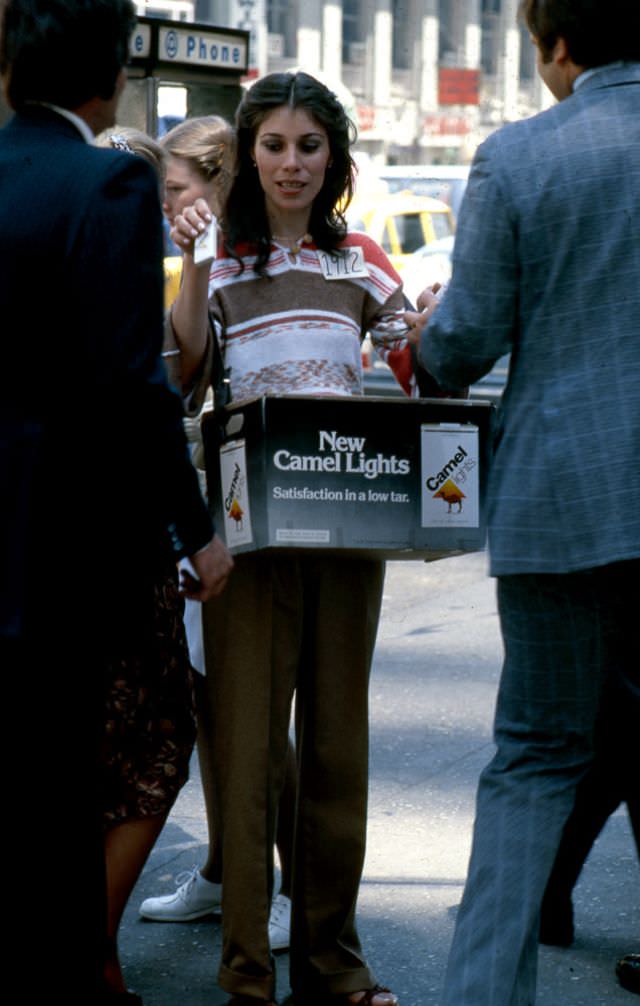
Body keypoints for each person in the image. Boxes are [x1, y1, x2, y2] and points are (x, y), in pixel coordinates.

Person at [405, 2, 640, 1004]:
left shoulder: (519, 157)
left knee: (535, 756)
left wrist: (420, 342)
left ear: (555, 42)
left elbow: (462, 342)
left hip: (560, 505)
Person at [0, 1, 232, 1001]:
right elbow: (134, 380)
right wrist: (195, 526)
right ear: (115, 73)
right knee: (81, 766)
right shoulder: (107, 182)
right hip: (69, 539)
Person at [164, 71, 408, 1006]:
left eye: (310, 147)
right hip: (246, 537)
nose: (292, 164)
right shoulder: (220, 261)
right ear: (249, 157)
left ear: (333, 157)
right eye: (274, 146)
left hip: (348, 535)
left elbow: (414, 363)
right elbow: (183, 375)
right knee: (250, 749)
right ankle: (246, 972)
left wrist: (421, 322)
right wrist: (191, 265)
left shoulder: (364, 263)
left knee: (338, 749)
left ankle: (332, 962)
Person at [134, 114, 296, 949]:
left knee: (252, 712)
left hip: (251, 508)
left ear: (217, 181)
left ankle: (280, 884)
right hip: (201, 507)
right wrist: (191, 263)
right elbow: (184, 366)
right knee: (211, 705)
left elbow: (188, 367)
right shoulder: (196, 257)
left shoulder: (257, 254)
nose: (164, 204)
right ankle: (227, 873)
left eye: (175, 188)